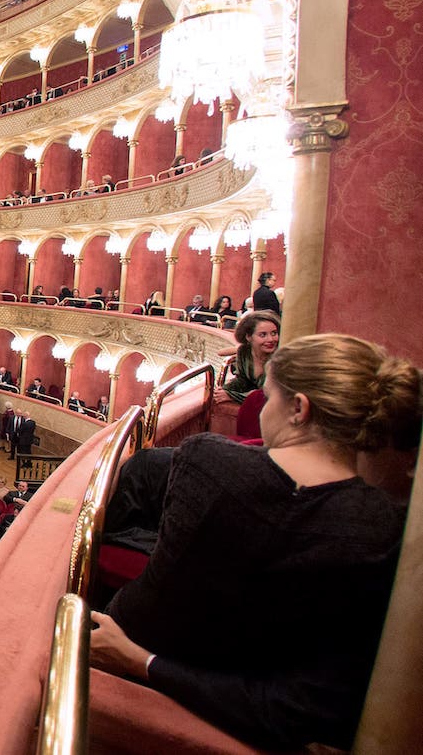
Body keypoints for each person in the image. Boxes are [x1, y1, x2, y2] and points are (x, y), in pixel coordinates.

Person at [90, 333, 419, 750]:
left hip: (126, 681)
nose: (261, 409)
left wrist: (143, 661)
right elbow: (299, 708)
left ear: (299, 409)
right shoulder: (385, 528)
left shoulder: (205, 460)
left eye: (268, 398)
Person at [213, 310, 280, 404]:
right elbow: (242, 381)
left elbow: (270, 394)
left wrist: (232, 396)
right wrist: (223, 390)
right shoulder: (244, 351)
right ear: (248, 337)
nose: (270, 339)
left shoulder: (281, 357)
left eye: (274, 333)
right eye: (263, 335)